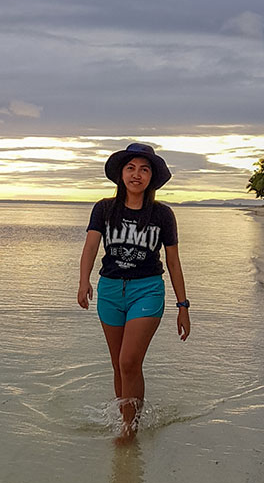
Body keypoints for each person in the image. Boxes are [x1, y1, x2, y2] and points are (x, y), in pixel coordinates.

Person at [77, 142, 190, 441]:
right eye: (131, 168)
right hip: (110, 290)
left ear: (152, 177)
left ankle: (130, 430)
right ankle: (126, 418)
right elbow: (90, 246)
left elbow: (174, 262)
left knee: (129, 361)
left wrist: (183, 305)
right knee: (118, 364)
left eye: (144, 169)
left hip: (147, 290)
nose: (136, 174)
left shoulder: (162, 215)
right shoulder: (103, 209)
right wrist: (83, 281)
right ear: (120, 174)